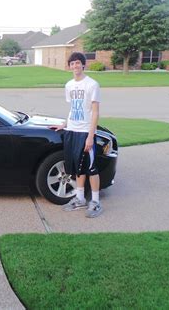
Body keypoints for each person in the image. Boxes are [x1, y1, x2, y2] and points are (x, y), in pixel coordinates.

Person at [52, 52, 103, 218]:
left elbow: (95, 112)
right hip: (72, 130)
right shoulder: (69, 85)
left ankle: (95, 202)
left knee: (91, 168)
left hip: (85, 132)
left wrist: (90, 135)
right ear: (70, 66)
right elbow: (73, 108)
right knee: (77, 167)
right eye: (72, 63)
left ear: (83, 65)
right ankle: (80, 198)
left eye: (78, 63)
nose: (75, 66)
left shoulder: (92, 85)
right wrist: (64, 124)